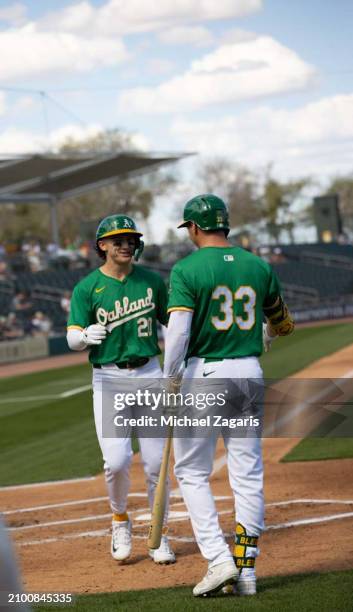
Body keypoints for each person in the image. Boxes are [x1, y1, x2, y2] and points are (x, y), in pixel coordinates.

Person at [163, 194, 294, 597]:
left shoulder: (187, 268)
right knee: (247, 473)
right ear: (226, 225)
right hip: (249, 372)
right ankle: (247, 572)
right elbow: (283, 323)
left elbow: (179, 332)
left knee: (190, 471)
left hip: (207, 372)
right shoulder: (258, 265)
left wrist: (171, 377)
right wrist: (266, 335)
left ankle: (219, 560)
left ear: (196, 228)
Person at [66, 214, 175, 565]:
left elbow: (174, 322)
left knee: (157, 463)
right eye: (118, 240)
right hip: (109, 379)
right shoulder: (87, 288)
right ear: (102, 246)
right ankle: (119, 519)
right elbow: (72, 334)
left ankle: (158, 535)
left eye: (130, 239)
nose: (126, 244)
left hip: (149, 374)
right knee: (116, 461)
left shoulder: (152, 282)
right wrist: (82, 337)